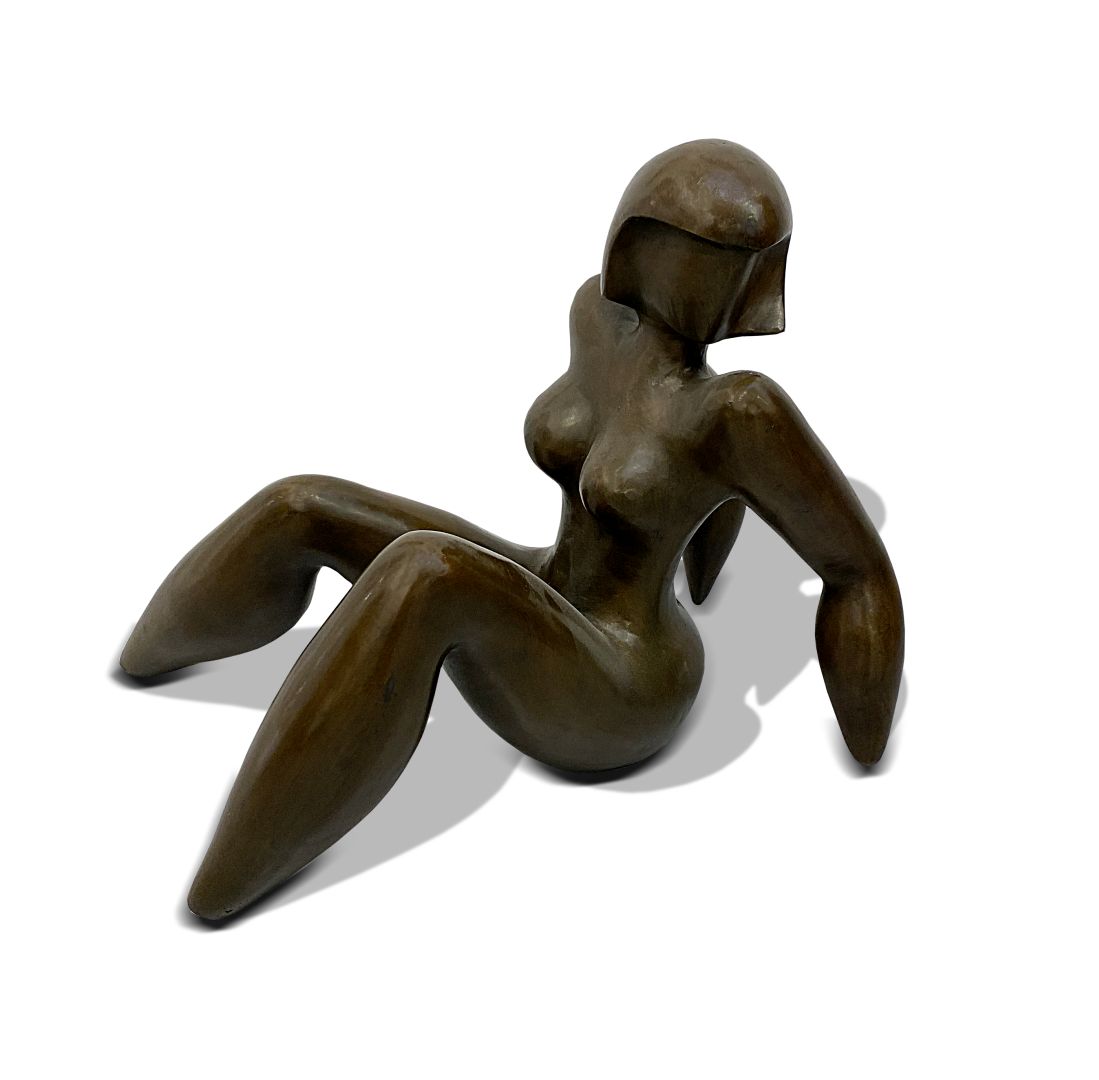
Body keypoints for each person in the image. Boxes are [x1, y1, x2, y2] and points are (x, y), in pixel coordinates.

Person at [120, 139, 904, 921]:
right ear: (633, 241)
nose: (715, 278)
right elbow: (705, 476)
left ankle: (226, 878)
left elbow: (855, 570)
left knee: (425, 573)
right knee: (300, 505)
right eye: (689, 248)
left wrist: (865, 750)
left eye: (739, 263)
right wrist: (710, 552)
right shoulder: (596, 320)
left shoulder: (740, 409)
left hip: (626, 678)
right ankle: (141, 660)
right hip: (551, 581)